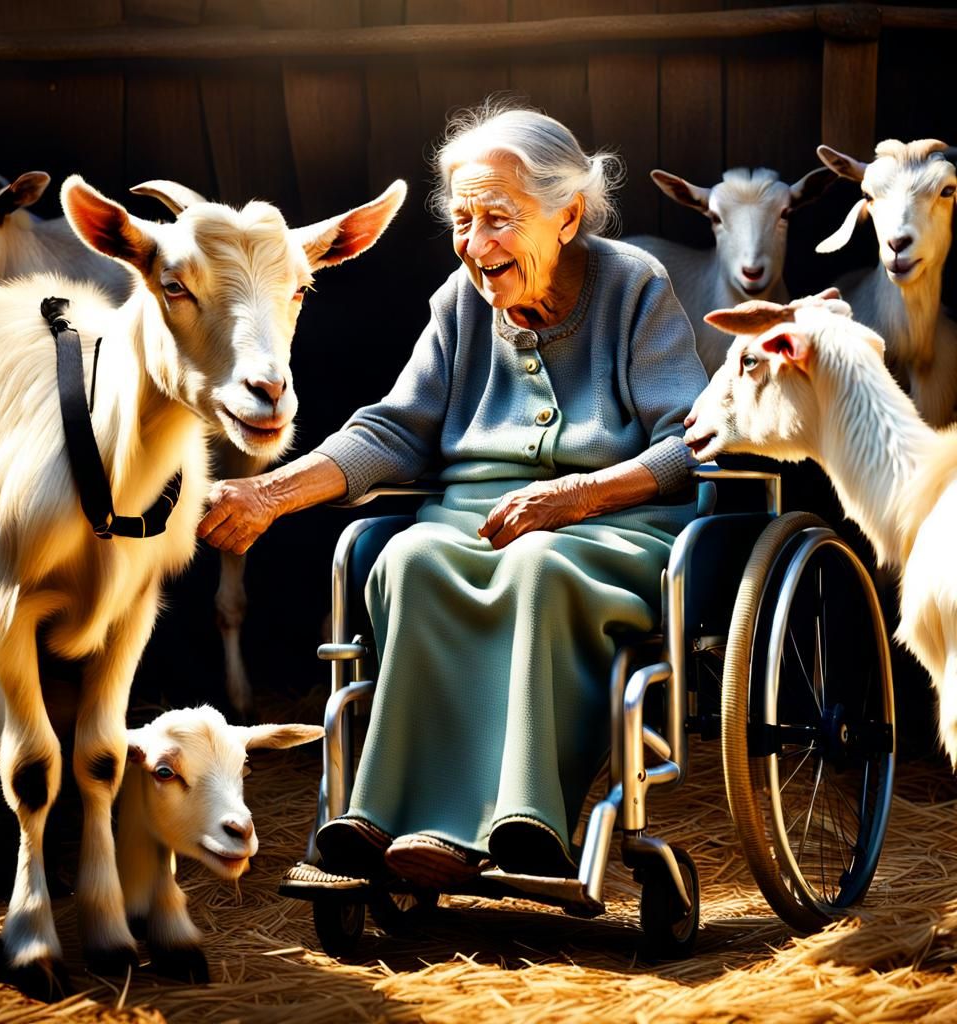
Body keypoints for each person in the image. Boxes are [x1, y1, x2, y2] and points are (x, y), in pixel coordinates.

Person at [198, 104, 709, 886]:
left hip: (615, 527)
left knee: (538, 569)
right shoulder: (459, 302)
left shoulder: (634, 285)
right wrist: (270, 493)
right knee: (408, 559)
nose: (476, 245)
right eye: (463, 221)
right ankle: (391, 821)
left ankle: (523, 821)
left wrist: (577, 495)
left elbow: (688, 443)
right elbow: (394, 430)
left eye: (498, 219)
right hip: (474, 524)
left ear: (566, 215)